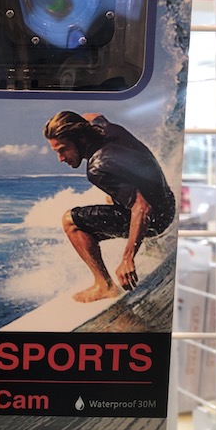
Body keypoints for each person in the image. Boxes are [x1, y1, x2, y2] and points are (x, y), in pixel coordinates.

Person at [44, 111, 175, 303]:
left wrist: (127, 258)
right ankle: (153, 246)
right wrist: (67, 123)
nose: (61, 158)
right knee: (113, 194)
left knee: (70, 221)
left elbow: (142, 207)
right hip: (168, 203)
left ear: (80, 138)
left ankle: (104, 285)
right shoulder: (103, 127)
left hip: (157, 220)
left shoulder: (98, 168)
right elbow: (92, 115)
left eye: (63, 149)